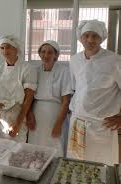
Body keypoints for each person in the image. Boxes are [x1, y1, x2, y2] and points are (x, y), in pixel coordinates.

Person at [68, 19, 121, 165]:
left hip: (101, 127)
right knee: (75, 166)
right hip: (77, 122)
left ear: (102, 37)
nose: (90, 40)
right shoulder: (74, 60)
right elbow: (76, 89)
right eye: (86, 35)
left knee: (100, 167)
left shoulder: (115, 61)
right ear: (80, 37)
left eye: (95, 36)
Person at [27, 40, 72, 157]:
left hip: (56, 115)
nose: (46, 55)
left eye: (50, 52)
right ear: (39, 54)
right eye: (43, 52)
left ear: (56, 55)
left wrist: (58, 124)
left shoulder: (64, 71)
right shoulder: (35, 71)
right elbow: (29, 97)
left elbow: (66, 101)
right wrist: (29, 114)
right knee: (35, 149)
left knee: (55, 147)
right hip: (37, 115)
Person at [0, 35, 37, 142]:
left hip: (18, 115)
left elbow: (28, 98)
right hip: (1, 116)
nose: (5, 51)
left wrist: (17, 124)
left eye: (8, 47)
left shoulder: (27, 68)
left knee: (16, 151)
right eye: (2, 48)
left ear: (16, 49)